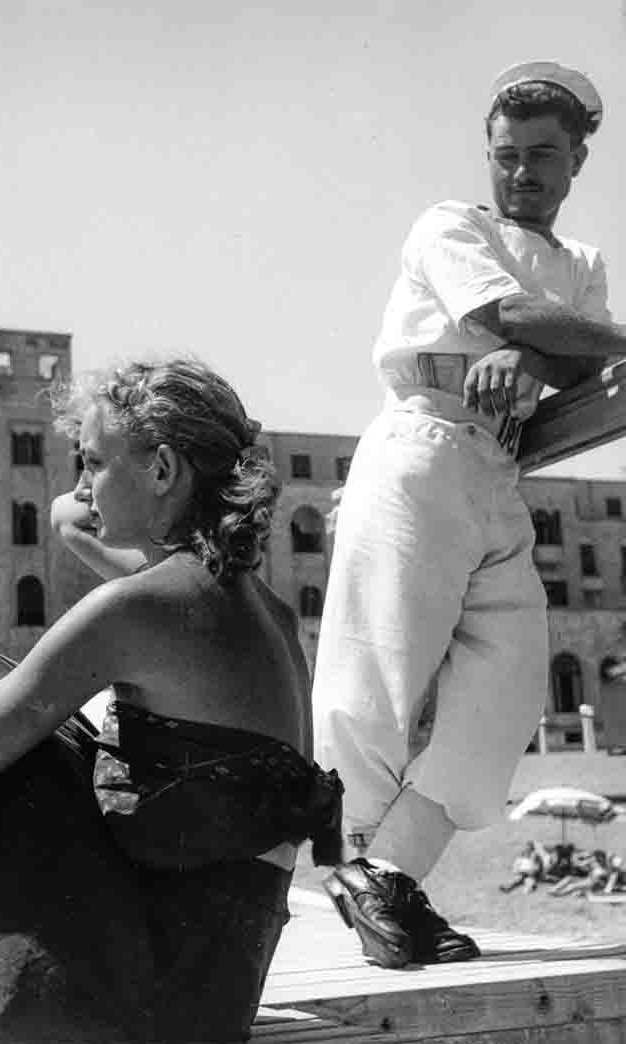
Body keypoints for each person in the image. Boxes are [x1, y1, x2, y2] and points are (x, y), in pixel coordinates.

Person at [0, 357, 343, 1044]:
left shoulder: (135, 611)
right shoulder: (259, 609)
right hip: (210, 990)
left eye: (94, 462)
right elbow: (105, 542)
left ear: (162, 469)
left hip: (140, 1003)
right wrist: (82, 510)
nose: (81, 486)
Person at [313, 60, 626, 969]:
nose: (521, 173)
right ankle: (364, 876)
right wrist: (529, 339)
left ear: (575, 165)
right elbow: (508, 307)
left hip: (503, 467)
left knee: (511, 681)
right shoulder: (454, 224)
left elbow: (584, 371)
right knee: (378, 675)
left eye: (542, 157)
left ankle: (385, 878)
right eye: (506, 155)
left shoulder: (586, 268)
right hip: (422, 444)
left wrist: (531, 360)